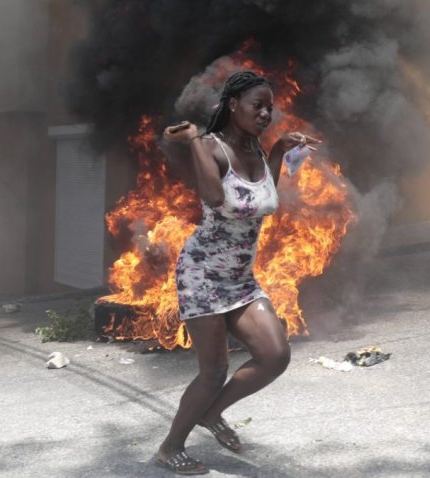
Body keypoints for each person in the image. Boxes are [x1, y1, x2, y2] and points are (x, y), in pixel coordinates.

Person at [155, 71, 319, 475]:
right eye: (256, 105)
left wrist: (279, 148)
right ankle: (170, 447)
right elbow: (214, 196)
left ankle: (211, 414)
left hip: (241, 279)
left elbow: (266, 196)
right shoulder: (211, 147)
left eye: (269, 107)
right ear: (233, 105)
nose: (266, 113)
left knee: (274, 355)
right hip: (203, 275)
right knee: (213, 372)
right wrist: (193, 138)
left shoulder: (257, 151)